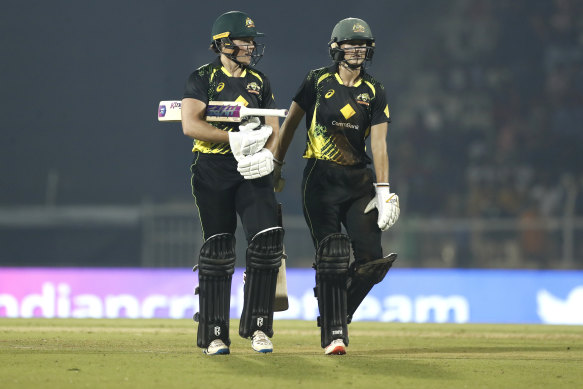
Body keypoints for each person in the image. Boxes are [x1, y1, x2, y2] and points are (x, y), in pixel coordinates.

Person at [274, 17, 400, 355]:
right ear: (336, 47)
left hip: (359, 181)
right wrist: (276, 163)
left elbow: (380, 144)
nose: (358, 50)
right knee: (331, 256)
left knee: (372, 259)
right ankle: (334, 334)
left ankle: (336, 311)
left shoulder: (375, 90)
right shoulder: (317, 81)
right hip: (321, 179)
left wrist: (384, 189)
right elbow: (290, 124)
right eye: (351, 44)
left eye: (363, 45)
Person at [181, 10, 284, 355]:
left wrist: (270, 155)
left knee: (267, 242)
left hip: (252, 167)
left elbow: (274, 124)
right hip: (212, 168)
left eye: (252, 41)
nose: (251, 46)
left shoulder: (260, 81)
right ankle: (213, 333)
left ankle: (258, 328)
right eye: (245, 41)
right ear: (224, 43)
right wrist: (232, 141)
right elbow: (190, 125)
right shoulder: (202, 78)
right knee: (219, 250)